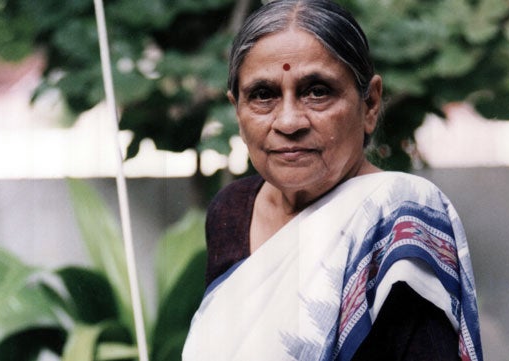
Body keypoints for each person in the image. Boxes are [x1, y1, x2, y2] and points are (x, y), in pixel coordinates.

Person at [182, 0, 483, 360]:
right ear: (237, 110)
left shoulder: (397, 221)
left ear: (370, 104)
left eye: (317, 92)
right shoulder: (231, 212)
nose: (289, 122)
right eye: (264, 95)